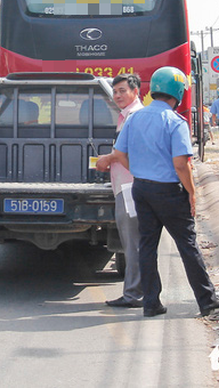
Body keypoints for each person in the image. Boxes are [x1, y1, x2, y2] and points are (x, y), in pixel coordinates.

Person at [110, 66, 219, 317]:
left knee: (147, 245)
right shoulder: (175, 121)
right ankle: (207, 299)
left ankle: (151, 302)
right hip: (169, 192)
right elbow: (181, 164)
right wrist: (191, 193)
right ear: (178, 92)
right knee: (187, 244)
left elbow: (120, 154)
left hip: (141, 189)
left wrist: (140, 172)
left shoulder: (134, 118)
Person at [95, 74, 144, 308]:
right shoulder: (126, 116)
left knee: (132, 243)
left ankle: (134, 294)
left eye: (122, 91)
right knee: (133, 242)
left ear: (136, 91)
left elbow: (125, 152)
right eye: (115, 92)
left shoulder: (134, 117)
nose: (117, 96)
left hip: (131, 187)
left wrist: (107, 158)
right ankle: (141, 292)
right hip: (126, 186)